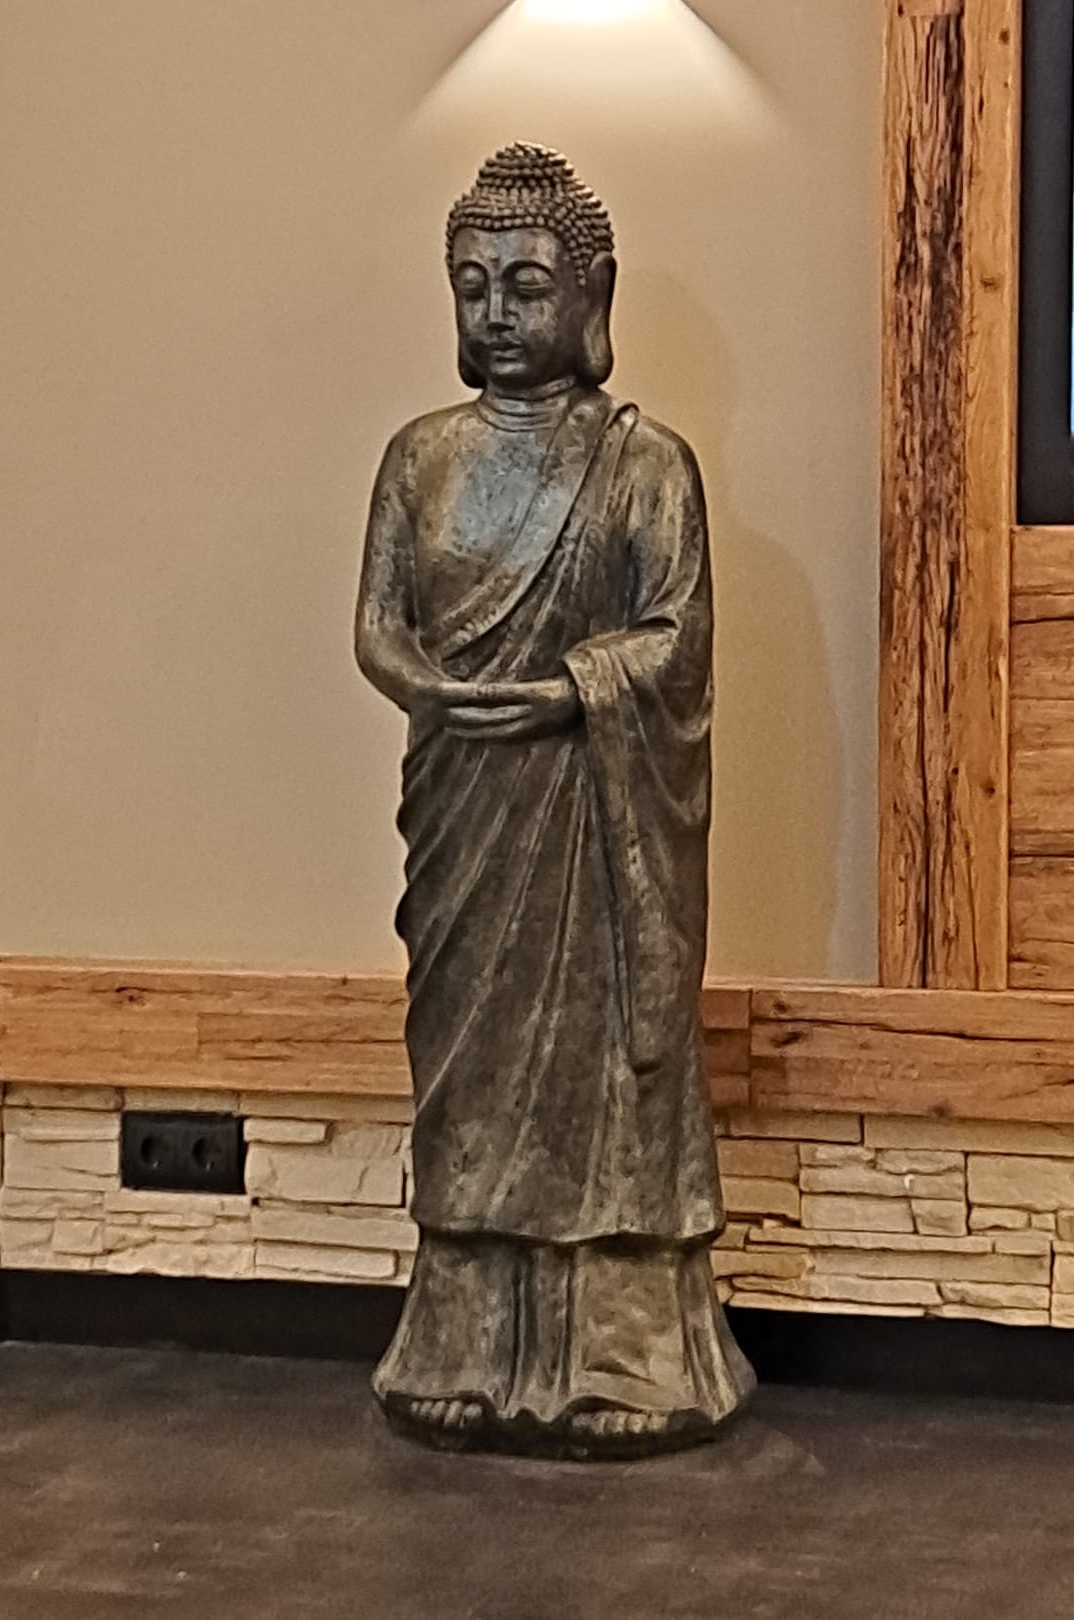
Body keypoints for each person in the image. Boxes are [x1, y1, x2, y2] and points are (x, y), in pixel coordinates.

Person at [355, 143, 754, 1459]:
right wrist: (433, 687)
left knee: (605, 1077)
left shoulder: (647, 467)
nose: (497, 314)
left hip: (592, 807)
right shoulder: (419, 458)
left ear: (594, 293)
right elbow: (378, 628)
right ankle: (458, 1342)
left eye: (527, 286)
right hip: (468, 803)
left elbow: (676, 638)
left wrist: (566, 693)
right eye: (472, 286)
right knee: (467, 1067)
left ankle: (625, 1356)